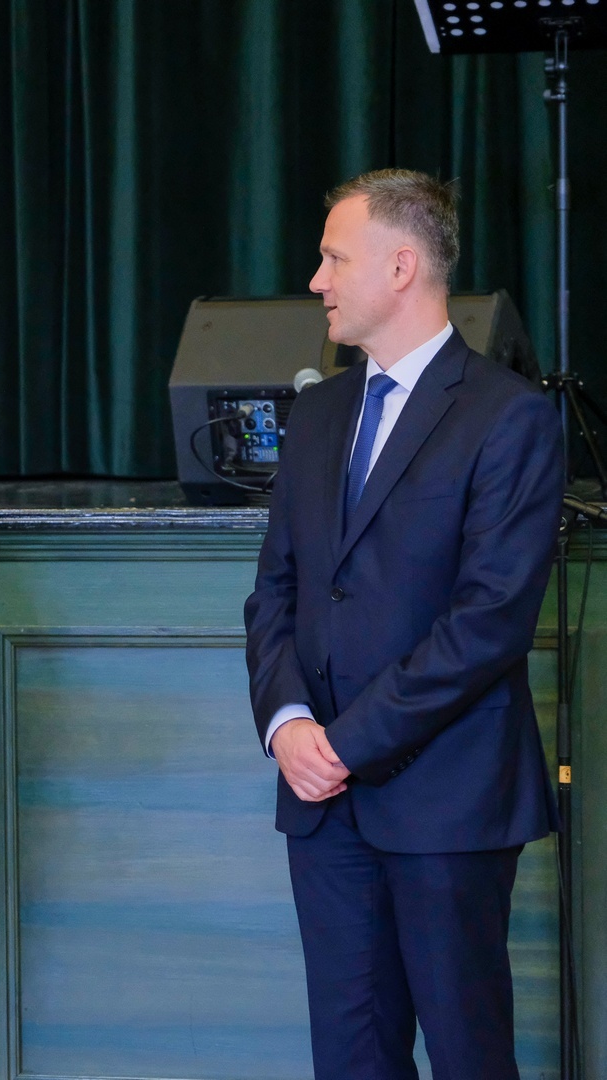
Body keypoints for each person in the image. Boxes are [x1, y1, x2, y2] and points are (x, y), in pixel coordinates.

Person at [244, 169, 562, 1078]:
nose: (316, 280)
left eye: (334, 258)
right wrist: (288, 725)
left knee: (468, 1054)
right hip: (322, 808)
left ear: (401, 266)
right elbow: (275, 593)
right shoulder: (317, 414)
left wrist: (345, 744)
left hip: (447, 800)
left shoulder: (509, 418)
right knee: (351, 1058)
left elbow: (488, 621)